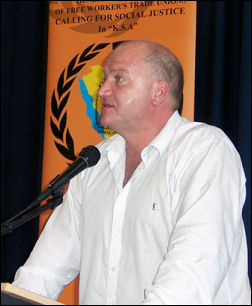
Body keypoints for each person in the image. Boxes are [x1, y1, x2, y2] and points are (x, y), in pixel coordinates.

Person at [13, 40, 251, 305]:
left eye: (119, 79)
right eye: (104, 80)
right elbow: (42, 272)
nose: (102, 90)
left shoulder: (204, 150)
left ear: (158, 92)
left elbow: (193, 272)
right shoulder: (93, 164)